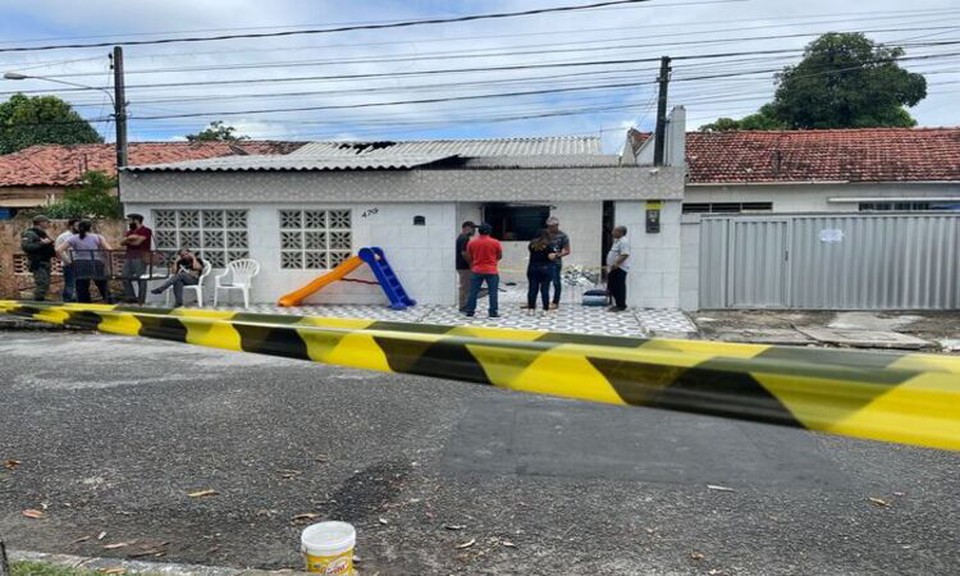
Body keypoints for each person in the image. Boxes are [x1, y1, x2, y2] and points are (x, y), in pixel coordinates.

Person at [60, 220, 113, 303]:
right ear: (90, 228)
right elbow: (109, 249)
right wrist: (106, 261)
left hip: (80, 263)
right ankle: (109, 301)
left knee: (81, 286)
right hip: (95, 262)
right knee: (102, 284)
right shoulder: (98, 237)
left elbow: (59, 250)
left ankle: (84, 304)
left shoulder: (73, 238)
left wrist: (68, 262)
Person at [463, 223, 502, 318]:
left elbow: (469, 256)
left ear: (479, 231)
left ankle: (470, 311)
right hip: (491, 270)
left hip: (477, 270)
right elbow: (500, 256)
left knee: (473, 292)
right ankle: (493, 312)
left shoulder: (472, 242)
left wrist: (473, 264)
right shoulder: (495, 242)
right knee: (493, 292)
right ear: (490, 231)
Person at [20, 215, 56, 301]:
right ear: (41, 223)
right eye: (47, 222)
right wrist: (42, 243)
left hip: (45, 261)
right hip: (37, 262)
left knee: (46, 284)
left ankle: (41, 300)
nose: (48, 224)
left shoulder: (42, 233)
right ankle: (37, 303)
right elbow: (26, 246)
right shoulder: (30, 233)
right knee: (42, 284)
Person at [119, 213, 153, 304]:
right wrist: (129, 238)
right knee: (125, 276)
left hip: (140, 257)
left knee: (141, 278)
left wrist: (129, 240)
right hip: (129, 256)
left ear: (136, 220)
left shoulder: (146, 230)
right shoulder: (130, 232)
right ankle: (131, 297)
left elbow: (137, 243)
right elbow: (122, 243)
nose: (129, 222)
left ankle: (141, 300)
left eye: (130, 220)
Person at [526, 229, 559, 312]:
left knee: (532, 289)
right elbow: (551, 257)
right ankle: (545, 309)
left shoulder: (532, 244)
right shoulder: (550, 244)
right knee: (544, 289)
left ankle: (531, 308)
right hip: (546, 269)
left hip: (532, 268)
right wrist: (556, 255)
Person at [545, 216, 571, 309]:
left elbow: (567, 251)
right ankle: (544, 301)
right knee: (544, 283)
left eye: (553, 226)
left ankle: (555, 302)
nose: (551, 228)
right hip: (543, 263)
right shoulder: (544, 234)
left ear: (557, 225)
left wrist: (556, 255)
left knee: (556, 282)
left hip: (555, 263)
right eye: (549, 226)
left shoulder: (563, 236)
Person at [55, 218, 80, 302]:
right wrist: (68, 262)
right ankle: (67, 301)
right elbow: (59, 250)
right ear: (71, 226)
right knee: (70, 284)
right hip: (68, 264)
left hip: (80, 263)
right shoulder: (63, 237)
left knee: (78, 284)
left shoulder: (81, 236)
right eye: (77, 225)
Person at [606, 225, 630, 312]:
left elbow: (625, 254)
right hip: (613, 268)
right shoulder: (617, 241)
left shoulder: (623, 242)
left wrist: (616, 263)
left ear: (621, 232)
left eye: (615, 231)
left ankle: (621, 305)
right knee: (612, 286)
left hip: (619, 268)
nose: (613, 232)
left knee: (618, 287)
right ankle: (617, 303)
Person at [455, 220, 476, 311]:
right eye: (473, 229)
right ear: (467, 228)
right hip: (464, 267)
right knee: (465, 286)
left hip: (461, 266)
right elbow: (464, 253)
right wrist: (471, 264)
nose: (474, 231)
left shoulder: (460, 237)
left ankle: (464, 304)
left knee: (465, 286)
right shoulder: (464, 238)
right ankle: (463, 306)